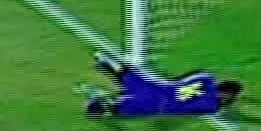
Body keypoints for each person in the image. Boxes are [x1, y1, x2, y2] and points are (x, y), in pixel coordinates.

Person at [81, 50, 243, 119]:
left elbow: (187, 77)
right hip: (154, 104)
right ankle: (97, 98)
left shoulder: (206, 78)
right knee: (112, 109)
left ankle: (105, 62)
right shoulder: (212, 106)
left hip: (157, 89)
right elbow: (201, 108)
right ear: (226, 93)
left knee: (127, 76)